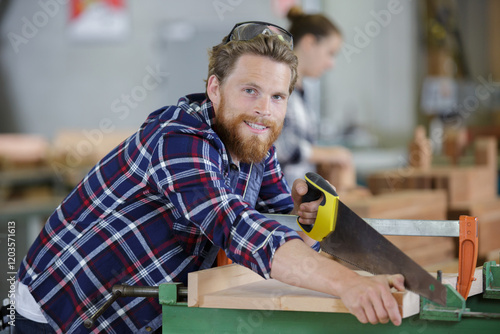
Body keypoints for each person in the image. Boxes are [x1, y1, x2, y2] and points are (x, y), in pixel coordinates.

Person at [14, 21, 404, 333]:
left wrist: (308, 217)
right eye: (250, 90)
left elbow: (278, 216)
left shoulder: (256, 145)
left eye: (277, 97)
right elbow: (237, 227)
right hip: (63, 311)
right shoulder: (178, 139)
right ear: (214, 88)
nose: (263, 111)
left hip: (136, 305)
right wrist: (347, 284)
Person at [275, 6, 355, 188]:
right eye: (330, 53)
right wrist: (330, 154)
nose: (331, 64)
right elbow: (278, 147)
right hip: (279, 204)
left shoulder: (301, 94)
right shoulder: (278, 87)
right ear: (310, 43)